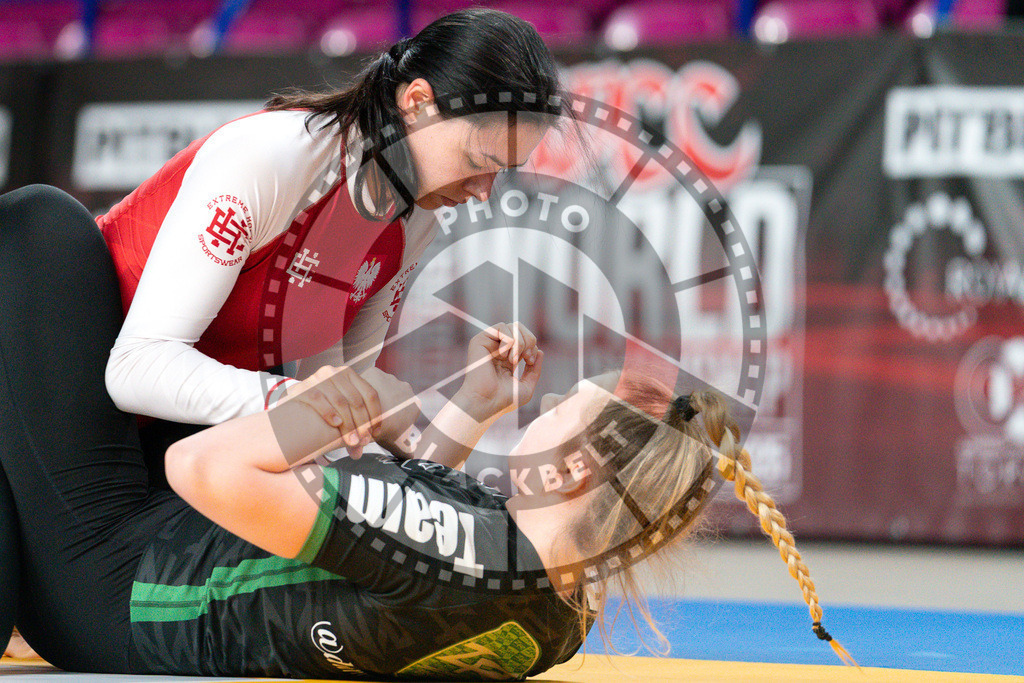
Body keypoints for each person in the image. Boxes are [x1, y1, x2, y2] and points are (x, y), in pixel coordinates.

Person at [0, 173, 853, 674]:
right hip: (161, 573)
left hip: (121, 576)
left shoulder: (472, 552)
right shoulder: (562, 598)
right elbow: (398, 563)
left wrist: (311, 412)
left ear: (572, 472)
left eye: (558, 414)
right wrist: (471, 404)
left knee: (42, 230)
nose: (540, 411)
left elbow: (205, 471)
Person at [1, 7, 567, 493]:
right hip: (49, 399)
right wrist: (295, 398)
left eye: (503, 173)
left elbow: (341, 441)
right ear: (416, 102)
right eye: (479, 162)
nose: (482, 194)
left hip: (155, 441)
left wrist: (474, 407)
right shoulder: (273, 158)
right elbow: (136, 368)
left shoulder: (415, 219)